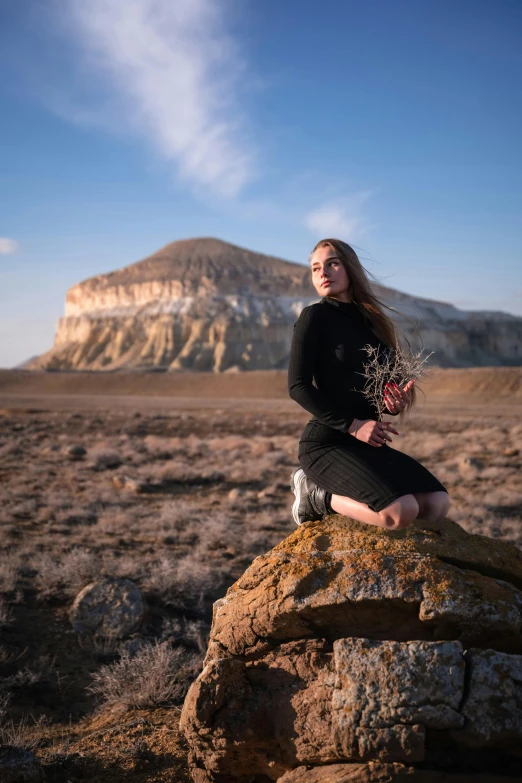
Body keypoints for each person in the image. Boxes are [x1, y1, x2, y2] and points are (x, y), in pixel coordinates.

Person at [288, 238, 450, 531]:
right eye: (315, 268)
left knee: (436, 504)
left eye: (332, 263)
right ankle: (315, 495)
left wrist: (392, 401)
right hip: (328, 442)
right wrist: (353, 426)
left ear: (350, 268)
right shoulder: (315, 317)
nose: (323, 272)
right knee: (400, 513)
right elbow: (297, 386)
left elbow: (377, 388)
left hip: (367, 443)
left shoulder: (373, 322)